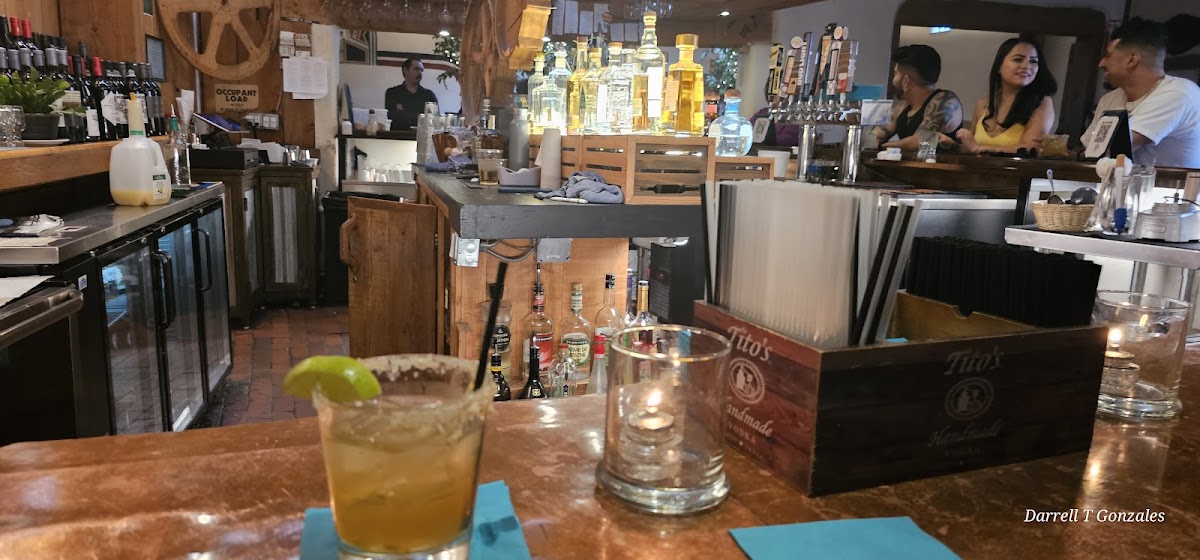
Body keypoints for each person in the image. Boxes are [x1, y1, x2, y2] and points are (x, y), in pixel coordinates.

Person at [1081, 18, 1200, 168]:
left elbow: (1112, 151)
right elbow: (1089, 153)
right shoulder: (1110, 99)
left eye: (1108, 55)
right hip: (1118, 182)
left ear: (1132, 60)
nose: (1101, 64)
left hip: (1167, 183)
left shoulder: (1178, 93)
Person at [956, 36, 1058, 154]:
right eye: (1018, 60)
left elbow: (1030, 149)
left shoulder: (1042, 103)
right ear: (999, 66)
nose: (1026, 66)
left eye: (1033, 61)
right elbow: (970, 148)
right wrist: (953, 145)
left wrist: (979, 148)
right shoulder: (982, 104)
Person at [873, 45, 964, 151]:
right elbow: (872, 137)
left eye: (895, 74)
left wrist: (882, 146)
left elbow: (920, 141)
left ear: (905, 80)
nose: (893, 80)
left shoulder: (944, 101)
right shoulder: (903, 107)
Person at [384, 59, 439, 131]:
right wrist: (422, 117)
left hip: (422, 136)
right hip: (398, 135)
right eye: (416, 69)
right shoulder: (392, 93)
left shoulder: (429, 95)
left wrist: (404, 115)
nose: (420, 73)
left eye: (422, 70)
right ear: (405, 70)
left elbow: (435, 120)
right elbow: (392, 117)